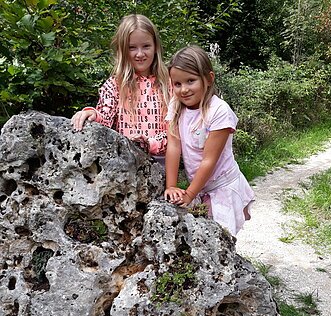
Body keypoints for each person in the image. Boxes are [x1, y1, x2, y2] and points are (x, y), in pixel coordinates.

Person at [164, 45, 254, 236]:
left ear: (208, 79)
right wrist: (171, 185)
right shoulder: (176, 105)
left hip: (221, 186)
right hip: (198, 186)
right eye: (177, 84)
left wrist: (189, 194)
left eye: (191, 81)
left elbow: (209, 160)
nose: (184, 90)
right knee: (200, 237)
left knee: (221, 237)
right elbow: (173, 146)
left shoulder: (218, 111)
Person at [71, 14, 170, 163]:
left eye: (146, 46)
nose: (140, 54)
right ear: (122, 50)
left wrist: (150, 143)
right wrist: (92, 113)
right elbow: (104, 119)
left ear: (155, 47)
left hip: (162, 162)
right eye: (132, 48)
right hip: (124, 161)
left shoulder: (168, 83)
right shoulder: (115, 84)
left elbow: (176, 129)